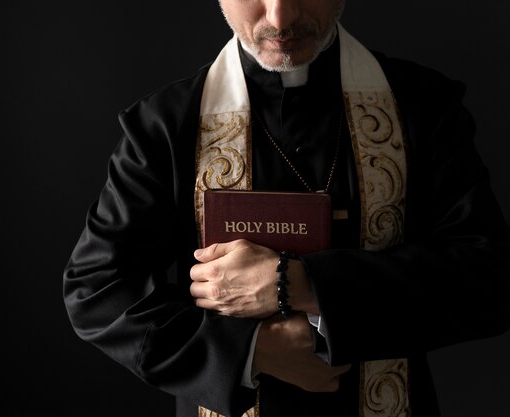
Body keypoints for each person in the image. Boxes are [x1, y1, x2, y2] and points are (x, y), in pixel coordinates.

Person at [63, 1, 510, 416]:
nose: (280, 19)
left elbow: (490, 280)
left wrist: (304, 285)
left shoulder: (424, 107)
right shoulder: (164, 126)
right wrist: (255, 350)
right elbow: (96, 290)